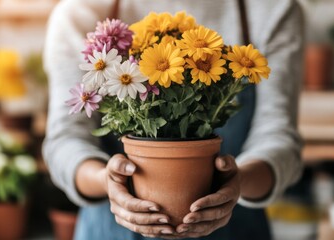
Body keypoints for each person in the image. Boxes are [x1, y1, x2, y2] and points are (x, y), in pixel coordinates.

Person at [43, 0, 304, 239]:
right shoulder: (80, 13)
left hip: (236, 225)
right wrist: (106, 181)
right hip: (112, 229)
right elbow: (65, 140)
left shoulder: (273, 9)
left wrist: (238, 182)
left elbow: (278, 138)